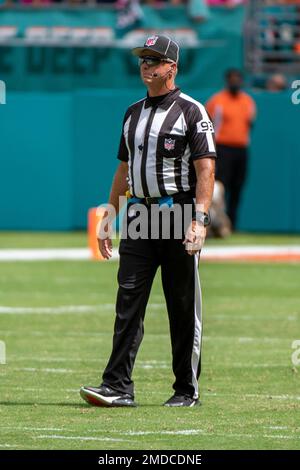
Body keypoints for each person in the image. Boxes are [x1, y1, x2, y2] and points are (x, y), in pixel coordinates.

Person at [80, 35, 216, 408]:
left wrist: (200, 219)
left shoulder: (192, 111)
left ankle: (186, 390)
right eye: (143, 59)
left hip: (178, 212)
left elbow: (206, 168)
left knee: (182, 303)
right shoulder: (132, 113)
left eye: (155, 60)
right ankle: (118, 386)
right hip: (140, 214)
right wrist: (110, 215)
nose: (146, 65)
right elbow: (124, 168)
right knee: (128, 301)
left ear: (172, 67)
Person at [206, 69, 256, 230]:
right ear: (227, 81)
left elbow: (250, 122)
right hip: (222, 148)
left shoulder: (247, 101)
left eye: (238, 79)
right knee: (219, 188)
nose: (235, 82)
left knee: (237, 187)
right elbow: (208, 125)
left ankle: (231, 224)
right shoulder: (217, 100)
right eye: (232, 79)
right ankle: (215, 224)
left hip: (241, 149)